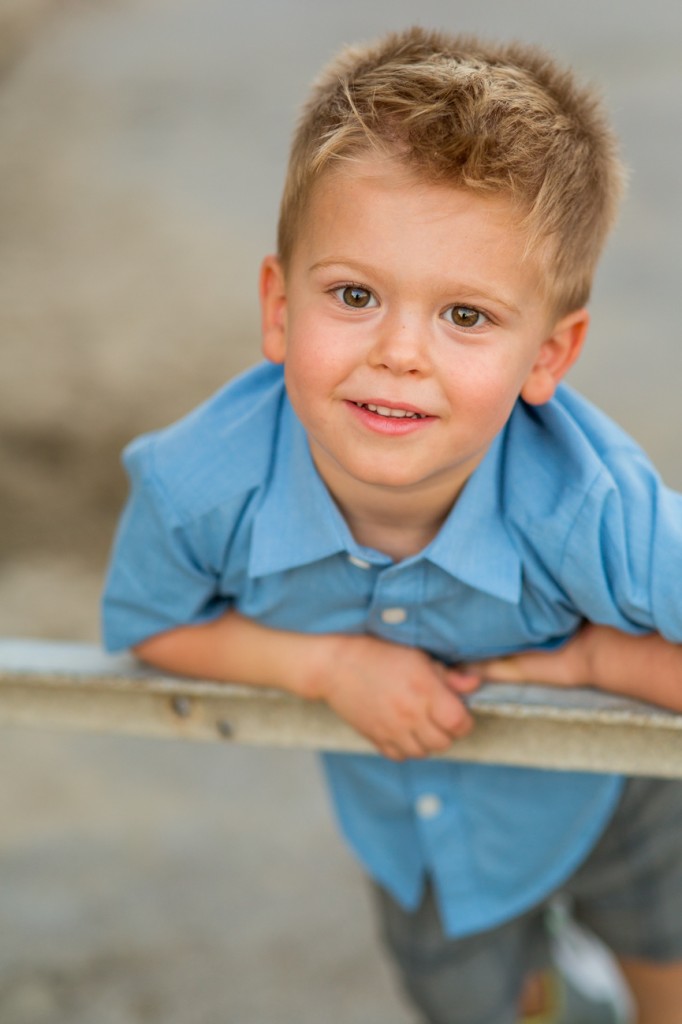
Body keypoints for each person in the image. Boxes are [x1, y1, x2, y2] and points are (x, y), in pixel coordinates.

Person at [101, 27, 682, 1024]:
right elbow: (150, 625)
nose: (398, 351)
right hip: (410, 831)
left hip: (613, 789)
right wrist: (325, 669)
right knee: (471, 1000)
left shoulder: (592, 508)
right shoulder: (199, 487)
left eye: (465, 315)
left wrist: (604, 669)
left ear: (549, 355)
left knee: (664, 949)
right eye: (355, 295)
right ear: (280, 309)